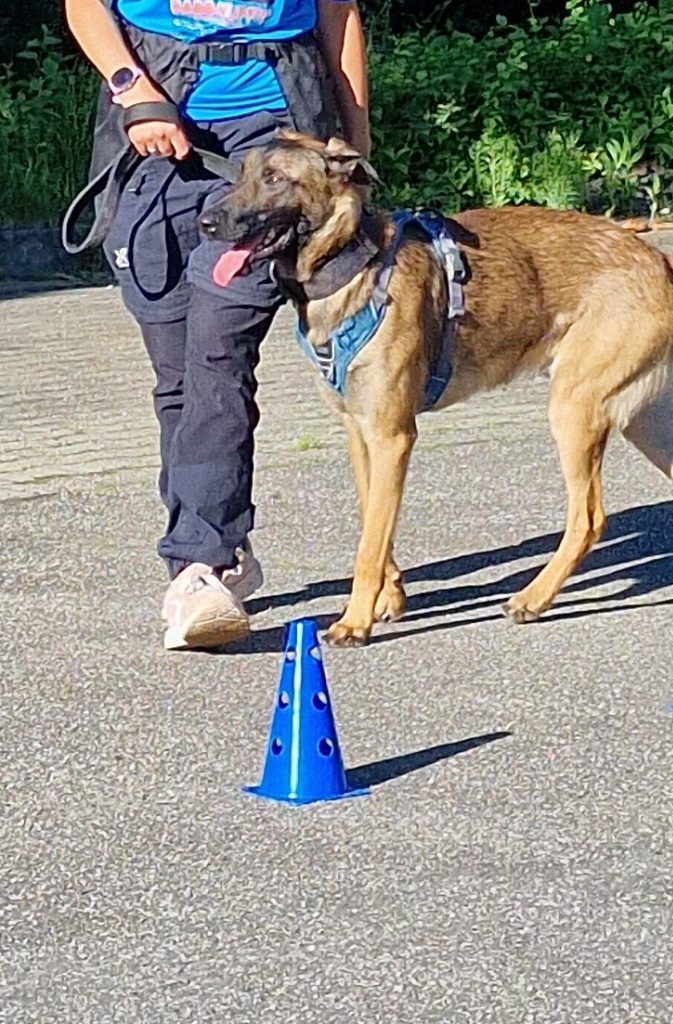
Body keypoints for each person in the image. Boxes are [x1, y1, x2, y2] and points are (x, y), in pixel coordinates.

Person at [63, 0, 371, 650]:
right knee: (177, 373)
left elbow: (338, 13)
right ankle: (216, 545)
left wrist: (355, 139)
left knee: (218, 353)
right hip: (157, 116)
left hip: (279, 135)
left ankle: (200, 564)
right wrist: (132, 88)